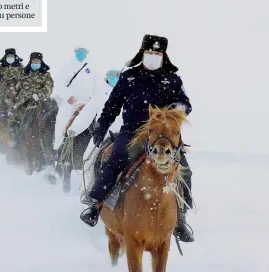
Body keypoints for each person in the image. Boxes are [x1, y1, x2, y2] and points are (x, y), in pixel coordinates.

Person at [80, 34, 195, 243]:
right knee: (116, 158)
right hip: (133, 133)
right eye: (149, 52)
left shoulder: (173, 79)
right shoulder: (128, 77)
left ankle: (180, 220)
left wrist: (177, 109)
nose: (153, 56)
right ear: (142, 53)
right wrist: (101, 127)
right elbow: (112, 106)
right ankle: (95, 205)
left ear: (163, 55)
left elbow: (185, 103)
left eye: (157, 53)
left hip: (163, 135)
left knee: (184, 170)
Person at [53, 47, 97, 160]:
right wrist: (68, 96)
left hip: (87, 101)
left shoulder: (90, 68)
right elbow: (58, 83)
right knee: (62, 122)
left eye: (84, 52)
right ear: (75, 53)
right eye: (79, 52)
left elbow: (94, 85)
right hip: (72, 101)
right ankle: (58, 150)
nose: (82, 54)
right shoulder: (68, 67)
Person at [8, 52, 54, 148]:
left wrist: (39, 94)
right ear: (30, 62)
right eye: (34, 61)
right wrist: (13, 102)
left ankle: (51, 143)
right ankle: (15, 140)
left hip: (39, 102)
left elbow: (49, 88)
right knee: (14, 119)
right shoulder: (23, 74)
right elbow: (15, 90)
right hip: (23, 103)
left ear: (41, 62)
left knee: (51, 118)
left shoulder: (46, 75)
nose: (35, 63)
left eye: (37, 61)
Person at [0, 48, 24, 132]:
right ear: (6, 57)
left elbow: (24, 80)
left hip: (17, 95)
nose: (10, 57)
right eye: (8, 56)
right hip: (2, 94)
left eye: (11, 56)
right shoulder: (0, 68)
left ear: (14, 56)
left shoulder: (21, 67)